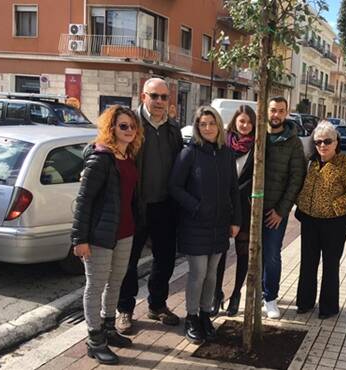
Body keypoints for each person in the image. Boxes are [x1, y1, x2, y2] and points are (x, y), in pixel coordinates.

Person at [71, 105, 142, 364]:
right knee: (96, 286)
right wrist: (80, 239)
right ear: (111, 127)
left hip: (125, 232)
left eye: (133, 126)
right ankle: (94, 339)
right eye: (123, 126)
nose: (129, 131)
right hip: (100, 235)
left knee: (116, 282)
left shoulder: (128, 157)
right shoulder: (101, 158)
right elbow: (84, 200)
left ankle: (109, 328)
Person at [116, 78, 184, 334]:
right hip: (135, 206)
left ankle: (157, 304)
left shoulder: (173, 130)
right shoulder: (130, 124)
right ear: (143, 96)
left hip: (165, 207)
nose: (158, 102)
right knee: (128, 262)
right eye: (154, 96)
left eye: (163, 97)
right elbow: (105, 147)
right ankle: (125, 309)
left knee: (165, 260)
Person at [169, 106, 241, 344]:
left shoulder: (227, 154)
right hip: (195, 224)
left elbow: (234, 190)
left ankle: (204, 314)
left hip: (220, 225)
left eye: (211, 123)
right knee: (198, 273)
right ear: (197, 128)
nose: (208, 128)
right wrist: (197, 207)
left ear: (219, 126)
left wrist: (236, 220)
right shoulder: (189, 153)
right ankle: (191, 317)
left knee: (212, 275)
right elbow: (175, 187)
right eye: (203, 124)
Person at [295, 121, 346, 319]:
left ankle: (328, 307)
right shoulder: (311, 162)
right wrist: (302, 204)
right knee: (308, 263)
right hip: (310, 221)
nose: (322, 145)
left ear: (336, 142)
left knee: (330, 265)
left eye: (327, 141)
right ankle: (305, 302)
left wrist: (334, 207)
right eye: (318, 142)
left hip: (334, 223)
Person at [262, 96, 306, 319]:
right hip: (252, 208)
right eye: (272, 110)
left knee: (271, 255)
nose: (276, 115)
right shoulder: (257, 136)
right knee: (248, 254)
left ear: (286, 113)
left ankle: (270, 298)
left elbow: (296, 178)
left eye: (280, 110)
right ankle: (250, 295)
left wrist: (282, 210)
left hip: (274, 212)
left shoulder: (293, 142)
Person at [212, 105, 256, 317]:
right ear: (235, 122)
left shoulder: (258, 145)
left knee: (242, 252)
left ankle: (237, 294)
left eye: (249, 122)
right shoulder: (223, 143)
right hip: (223, 204)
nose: (245, 125)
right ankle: (216, 293)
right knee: (220, 252)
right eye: (242, 121)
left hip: (246, 206)